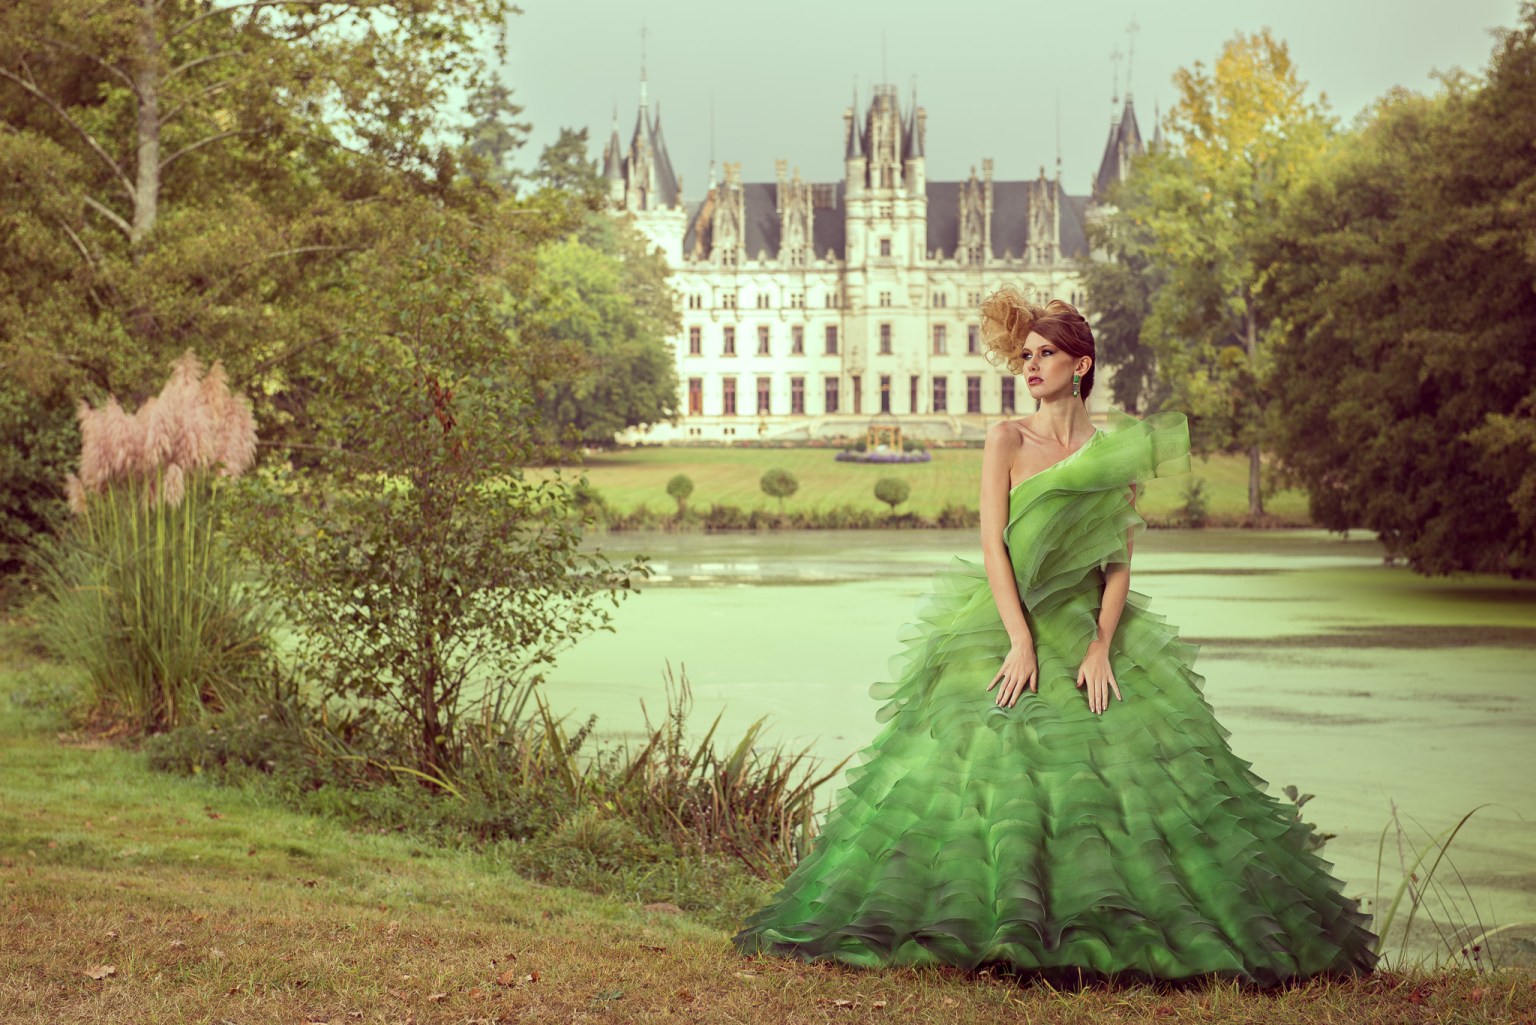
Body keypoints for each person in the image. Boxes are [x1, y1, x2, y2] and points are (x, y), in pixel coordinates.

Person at [731, 287, 1379, 986]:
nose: (1030, 365)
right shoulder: (1007, 437)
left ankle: (1109, 929)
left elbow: (1120, 562)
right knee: (987, 764)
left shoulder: (1111, 452)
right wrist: (1019, 639)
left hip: (1088, 623)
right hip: (1005, 619)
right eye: (1025, 355)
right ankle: (989, 928)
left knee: (1129, 775)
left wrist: (1102, 642)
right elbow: (991, 545)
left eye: (1044, 355)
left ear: (1082, 363)